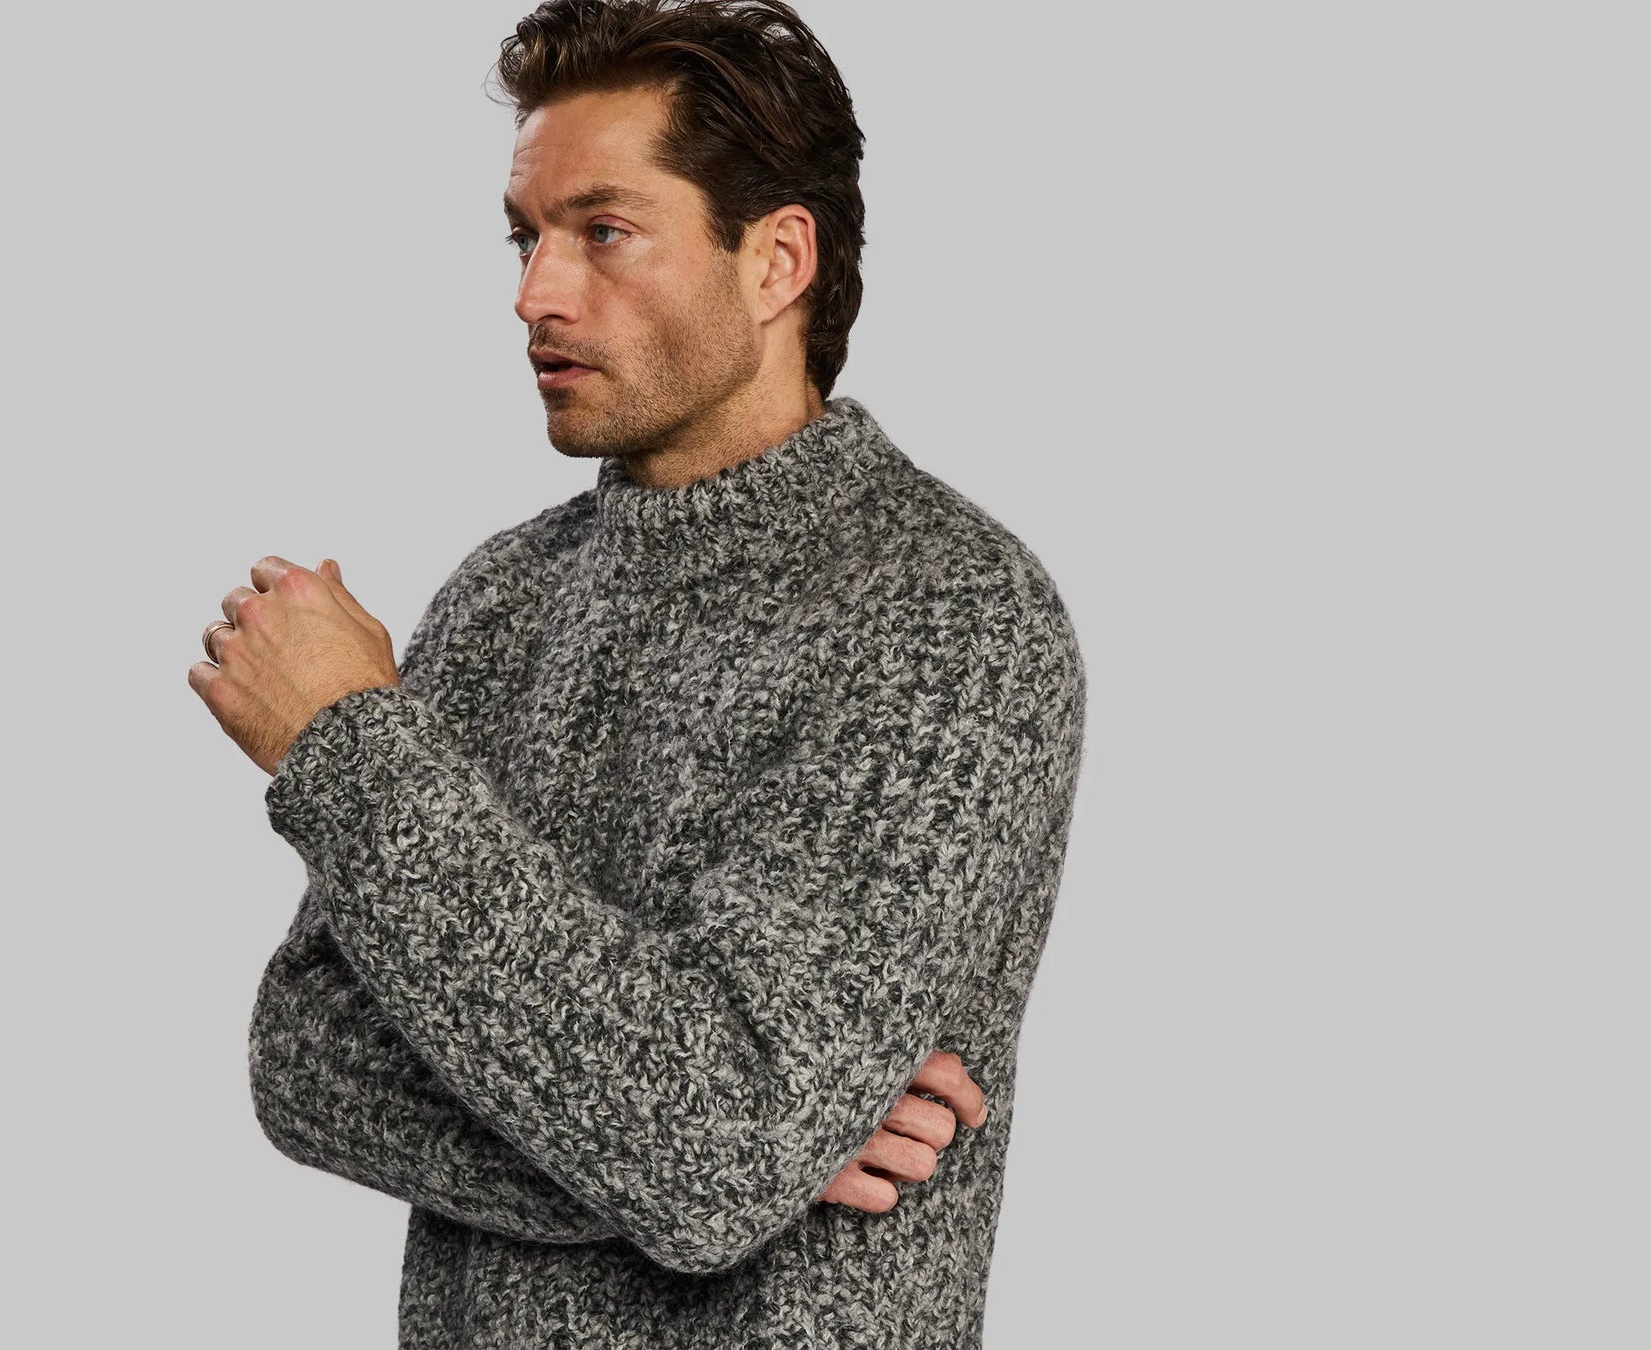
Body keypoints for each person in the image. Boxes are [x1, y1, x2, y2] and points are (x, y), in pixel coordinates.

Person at [187, 2, 1087, 1344]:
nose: (535, 294)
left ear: (777, 260)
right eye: (526, 237)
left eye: (602, 231)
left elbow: (719, 1146)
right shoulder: (500, 597)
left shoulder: (947, 613)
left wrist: (348, 742)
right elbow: (306, 1061)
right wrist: (713, 1155)